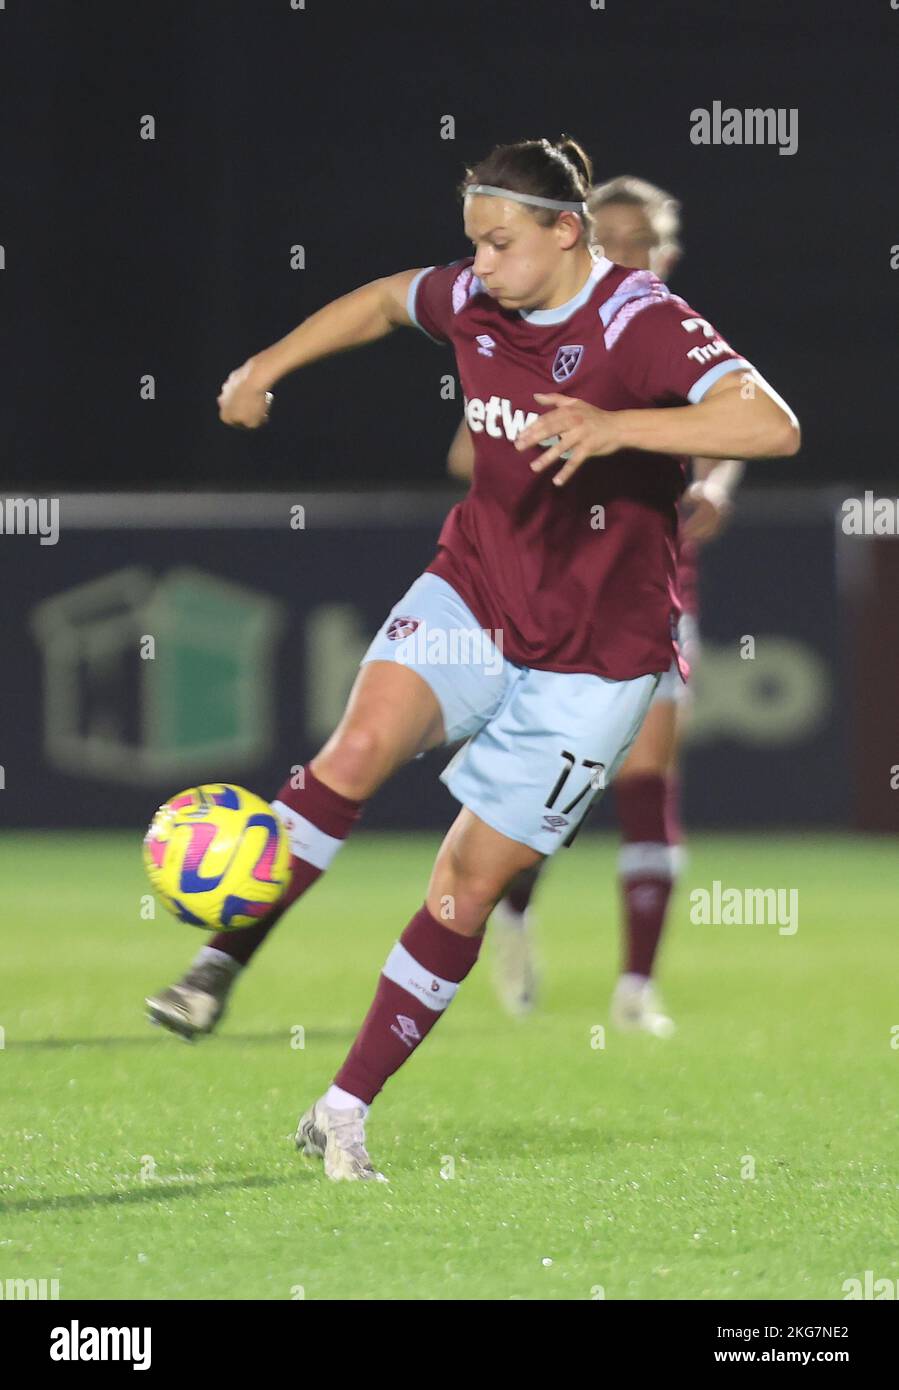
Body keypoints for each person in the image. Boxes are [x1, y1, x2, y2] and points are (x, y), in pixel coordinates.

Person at [146, 136, 799, 1180]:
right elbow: (376, 303)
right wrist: (264, 365)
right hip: (475, 594)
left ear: (563, 232)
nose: (478, 267)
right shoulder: (474, 295)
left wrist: (616, 424)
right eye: (471, 245)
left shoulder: (640, 320)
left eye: (497, 244)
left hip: (596, 658)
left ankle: (345, 1106)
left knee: (464, 887)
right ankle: (223, 954)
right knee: (353, 750)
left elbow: (772, 426)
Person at [445, 175, 744, 1032]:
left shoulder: (666, 330)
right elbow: (469, 450)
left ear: (667, 250)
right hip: (544, 591)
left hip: (646, 592)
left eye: (641, 238)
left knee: (648, 780)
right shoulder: (531, 325)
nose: (625, 251)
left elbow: (738, 422)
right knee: (549, 795)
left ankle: (635, 987)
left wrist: (713, 484)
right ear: (576, 238)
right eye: (609, 235)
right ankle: (510, 912)